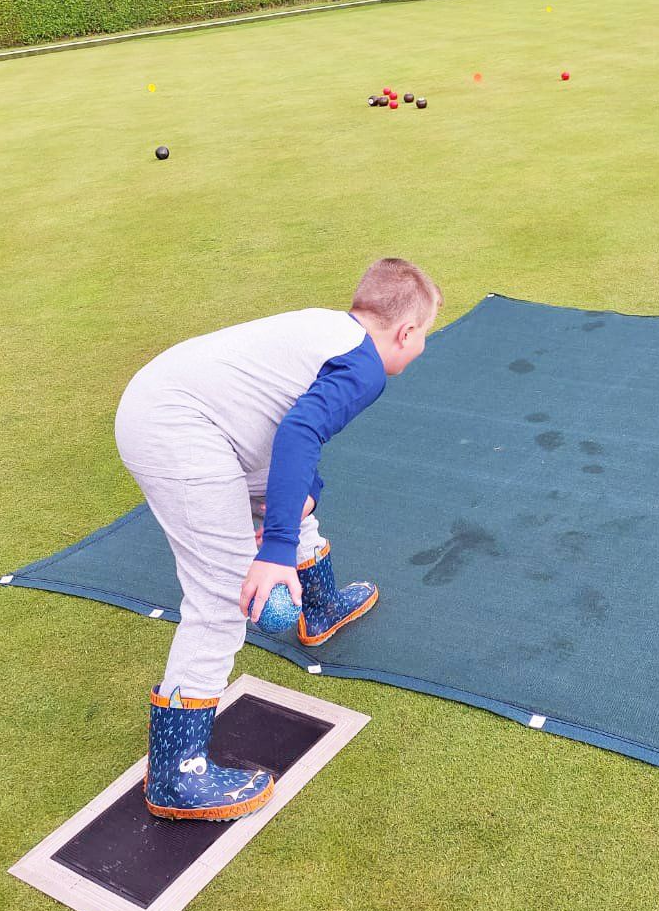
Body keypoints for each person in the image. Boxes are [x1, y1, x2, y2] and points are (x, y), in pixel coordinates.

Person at [114, 257, 442, 821]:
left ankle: (318, 608)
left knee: (290, 494)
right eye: (423, 339)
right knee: (222, 596)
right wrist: (270, 553)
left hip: (192, 414)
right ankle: (174, 775)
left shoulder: (338, 332)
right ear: (406, 332)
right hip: (176, 430)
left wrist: (299, 496)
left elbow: (290, 428)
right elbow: (298, 430)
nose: (421, 351)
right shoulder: (363, 368)